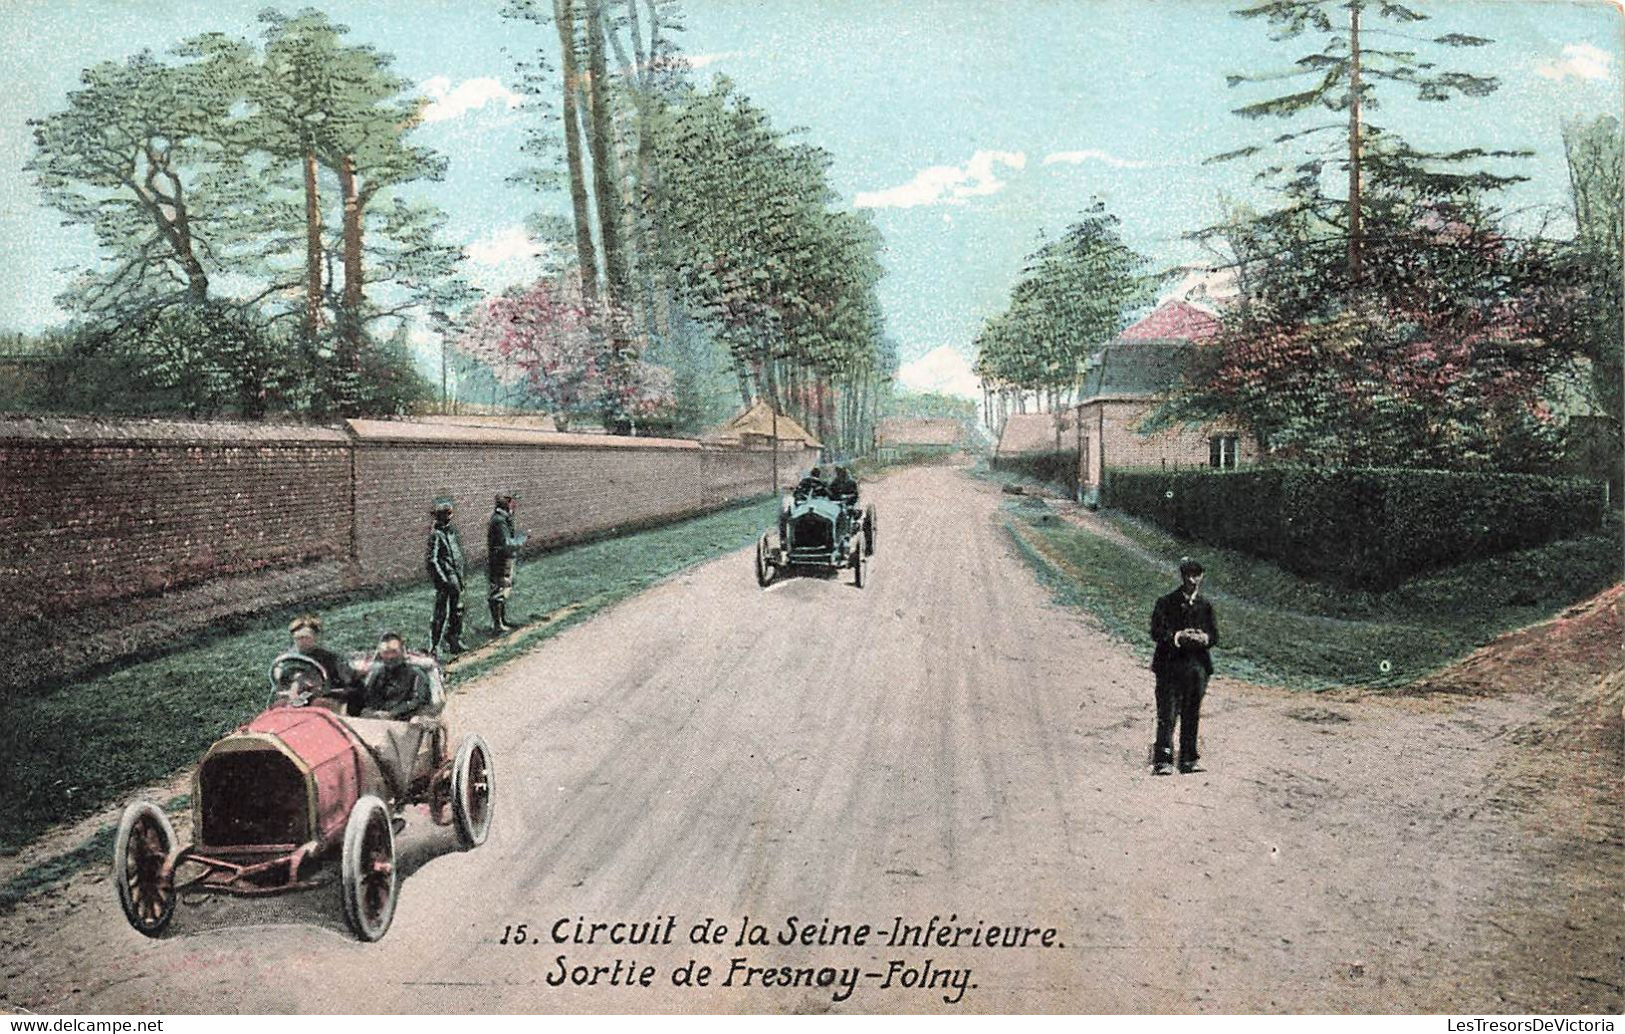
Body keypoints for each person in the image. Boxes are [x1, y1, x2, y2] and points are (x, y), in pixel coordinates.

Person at [1149, 557, 1219, 775]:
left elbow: (1215, 635)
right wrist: (1179, 636)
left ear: (1202, 576)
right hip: (1170, 665)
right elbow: (1157, 632)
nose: (1192, 580)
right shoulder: (1166, 602)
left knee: (1191, 712)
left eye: (1196, 575)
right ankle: (1163, 760)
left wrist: (1203, 638)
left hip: (1197, 666)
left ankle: (1188, 759)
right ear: (1182, 576)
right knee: (1167, 713)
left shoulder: (1205, 605)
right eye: (1188, 575)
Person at [356, 632, 432, 720]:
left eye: (394, 652)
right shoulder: (376, 674)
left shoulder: (416, 674)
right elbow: (368, 698)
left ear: (402, 651)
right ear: (380, 654)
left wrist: (393, 713)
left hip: (406, 720)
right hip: (378, 720)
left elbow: (419, 701)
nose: (390, 656)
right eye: (386, 653)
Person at [425, 496, 466, 655]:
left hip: (456, 578)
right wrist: (442, 579)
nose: (450, 516)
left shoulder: (451, 533)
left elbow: (456, 555)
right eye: (447, 514)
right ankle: (434, 646)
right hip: (446, 580)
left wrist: (459, 576)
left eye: (451, 513)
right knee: (440, 613)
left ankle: (454, 640)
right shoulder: (436, 535)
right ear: (440, 516)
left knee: (457, 611)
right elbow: (432, 560)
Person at [487, 490, 528, 634]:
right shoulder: (499, 520)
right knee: (499, 591)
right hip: (500, 561)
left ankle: (502, 621)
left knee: (503, 590)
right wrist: (520, 540)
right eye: (512, 501)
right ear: (507, 503)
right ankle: (498, 625)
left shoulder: (502, 518)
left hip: (503, 560)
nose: (514, 505)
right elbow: (506, 543)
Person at [287, 614, 357, 694]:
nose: (301, 642)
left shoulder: (329, 657)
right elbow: (279, 676)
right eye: (297, 638)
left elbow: (347, 678)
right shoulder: (288, 658)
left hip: (322, 696)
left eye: (305, 638)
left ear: (315, 637)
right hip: (294, 697)